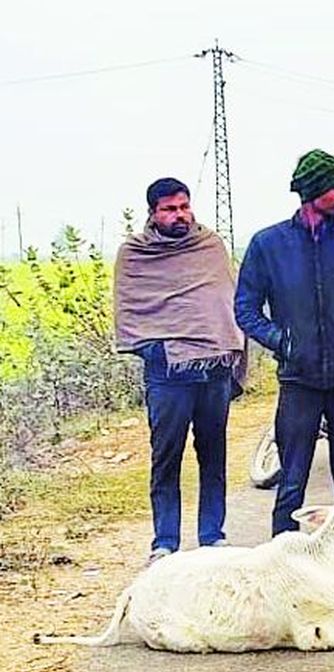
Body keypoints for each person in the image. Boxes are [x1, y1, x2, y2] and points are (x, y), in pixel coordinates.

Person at [235, 150, 334, 536]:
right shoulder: (268, 245)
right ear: (313, 190)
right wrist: (282, 342)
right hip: (298, 383)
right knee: (291, 486)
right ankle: (280, 571)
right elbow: (246, 309)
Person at [114, 177, 246, 565]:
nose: (180, 215)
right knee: (166, 458)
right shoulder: (135, 254)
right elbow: (129, 310)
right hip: (166, 374)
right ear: (153, 213)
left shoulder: (209, 245)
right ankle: (165, 542)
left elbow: (225, 301)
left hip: (214, 371)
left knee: (214, 454)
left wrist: (222, 344)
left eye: (184, 206)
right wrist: (159, 348)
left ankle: (212, 536)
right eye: (170, 209)